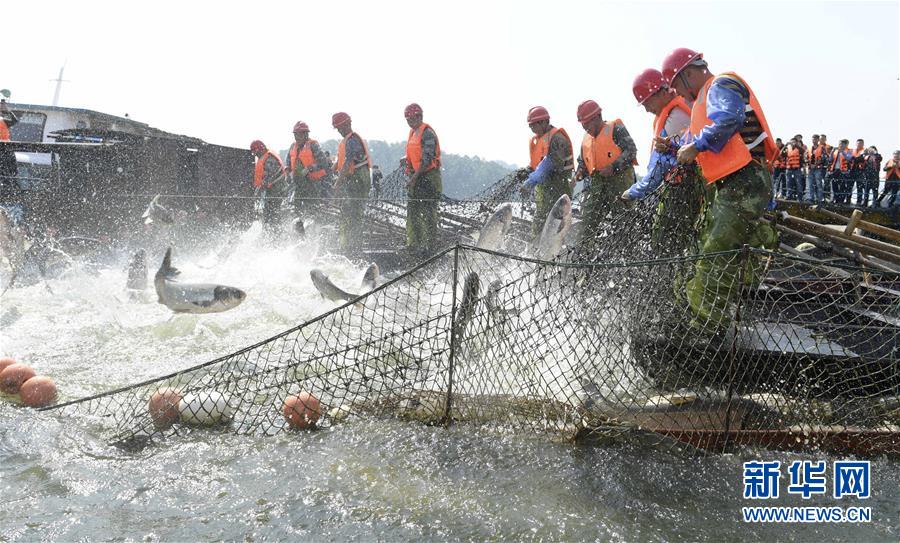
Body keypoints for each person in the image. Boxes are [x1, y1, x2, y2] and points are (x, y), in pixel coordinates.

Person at [662, 47, 777, 329]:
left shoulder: (720, 85)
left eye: (677, 86)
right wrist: (680, 146)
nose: (678, 94)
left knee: (717, 250)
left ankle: (707, 324)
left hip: (745, 181)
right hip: (730, 185)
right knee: (706, 244)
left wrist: (696, 145)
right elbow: (712, 137)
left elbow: (729, 120)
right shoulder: (705, 96)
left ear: (688, 74)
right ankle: (762, 236)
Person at [622, 68, 702, 256]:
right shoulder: (675, 111)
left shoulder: (675, 117)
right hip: (682, 186)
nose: (646, 109)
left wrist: (633, 192)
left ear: (660, 92)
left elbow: (661, 167)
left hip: (683, 189)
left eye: (646, 102)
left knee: (663, 239)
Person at [575, 99, 637, 244]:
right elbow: (582, 161)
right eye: (582, 124)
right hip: (597, 186)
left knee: (624, 223)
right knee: (587, 225)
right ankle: (582, 257)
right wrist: (580, 172)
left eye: (587, 123)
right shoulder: (586, 140)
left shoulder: (616, 129)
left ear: (597, 117)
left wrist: (614, 166)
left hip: (620, 183)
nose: (585, 127)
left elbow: (631, 150)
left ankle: (626, 257)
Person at [517, 106, 574, 238]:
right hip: (543, 189)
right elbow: (536, 165)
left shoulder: (557, 138)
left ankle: (554, 255)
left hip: (558, 188)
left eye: (533, 125)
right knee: (539, 223)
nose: (531, 128)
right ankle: (534, 252)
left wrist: (531, 180)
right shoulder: (537, 140)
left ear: (544, 122)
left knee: (556, 225)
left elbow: (550, 163)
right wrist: (527, 172)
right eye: (530, 126)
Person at [401, 103, 442, 257]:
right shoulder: (413, 132)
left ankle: (429, 247)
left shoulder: (427, 133)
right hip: (416, 177)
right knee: (413, 212)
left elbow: (426, 160)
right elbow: (415, 153)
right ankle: (414, 245)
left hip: (429, 177)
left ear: (419, 116)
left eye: (411, 118)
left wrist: (414, 178)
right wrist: (405, 159)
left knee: (428, 213)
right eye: (407, 119)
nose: (409, 122)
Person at [331, 112, 371, 255]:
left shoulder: (353, 140)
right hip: (351, 179)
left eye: (341, 127)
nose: (340, 130)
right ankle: (346, 245)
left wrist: (337, 183)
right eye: (338, 128)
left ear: (348, 124)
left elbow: (348, 163)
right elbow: (340, 161)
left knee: (354, 214)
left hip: (358, 179)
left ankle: (353, 247)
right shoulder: (345, 141)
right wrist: (333, 168)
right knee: (347, 213)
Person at [286, 121, 331, 215]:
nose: (297, 138)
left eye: (299, 135)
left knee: (312, 207)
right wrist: (287, 173)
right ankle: (298, 225)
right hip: (298, 184)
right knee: (296, 208)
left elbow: (323, 162)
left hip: (314, 183)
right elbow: (288, 162)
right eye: (295, 135)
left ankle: (314, 226)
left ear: (306, 134)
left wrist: (310, 168)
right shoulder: (292, 146)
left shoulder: (313, 145)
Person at [250, 140, 286, 236]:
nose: (256, 154)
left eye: (256, 152)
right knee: (268, 213)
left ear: (261, 149)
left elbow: (271, 175)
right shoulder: (263, 158)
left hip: (277, 191)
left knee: (273, 213)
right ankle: (269, 232)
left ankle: (276, 234)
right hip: (271, 191)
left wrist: (261, 186)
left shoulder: (269, 158)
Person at [0, 98, 19, 196]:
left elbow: (15, 120)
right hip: (4, 150)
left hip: (7, 148)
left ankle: (11, 188)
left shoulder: (3, 121)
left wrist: (7, 110)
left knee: (12, 169)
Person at [828, 139, 853, 204]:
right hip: (835, 170)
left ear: (845, 145)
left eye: (841, 144)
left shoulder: (849, 151)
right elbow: (830, 159)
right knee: (834, 185)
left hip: (843, 171)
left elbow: (849, 158)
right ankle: (835, 199)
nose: (840, 145)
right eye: (839, 144)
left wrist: (843, 152)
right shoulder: (836, 151)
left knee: (842, 186)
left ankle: (841, 200)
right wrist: (831, 152)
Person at [781, 136, 805, 201]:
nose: (792, 143)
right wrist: (785, 145)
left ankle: (800, 198)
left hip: (797, 169)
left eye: (794, 142)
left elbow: (803, 151)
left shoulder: (799, 149)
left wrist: (796, 145)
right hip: (789, 169)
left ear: (796, 142)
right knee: (788, 183)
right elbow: (781, 154)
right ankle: (789, 196)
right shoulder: (788, 149)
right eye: (791, 142)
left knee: (798, 184)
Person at [805, 134, 826, 202]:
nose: (814, 140)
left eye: (815, 139)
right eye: (813, 139)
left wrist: (816, 164)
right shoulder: (809, 148)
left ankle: (819, 198)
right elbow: (806, 157)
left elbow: (823, 158)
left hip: (818, 169)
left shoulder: (822, 148)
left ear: (818, 140)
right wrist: (809, 163)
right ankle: (811, 198)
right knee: (810, 184)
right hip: (810, 169)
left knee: (818, 184)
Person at [850, 138, 867, 205]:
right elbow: (850, 159)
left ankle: (859, 201)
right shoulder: (852, 151)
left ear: (863, 144)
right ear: (856, 144)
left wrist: (855, 159)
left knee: (859, 187)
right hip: (852, 170)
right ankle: (848, 200)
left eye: (861, 143)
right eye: (858, 143)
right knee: (850, 186)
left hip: (860, 171)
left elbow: (860, 159)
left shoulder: (865, 151)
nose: (859, 144)